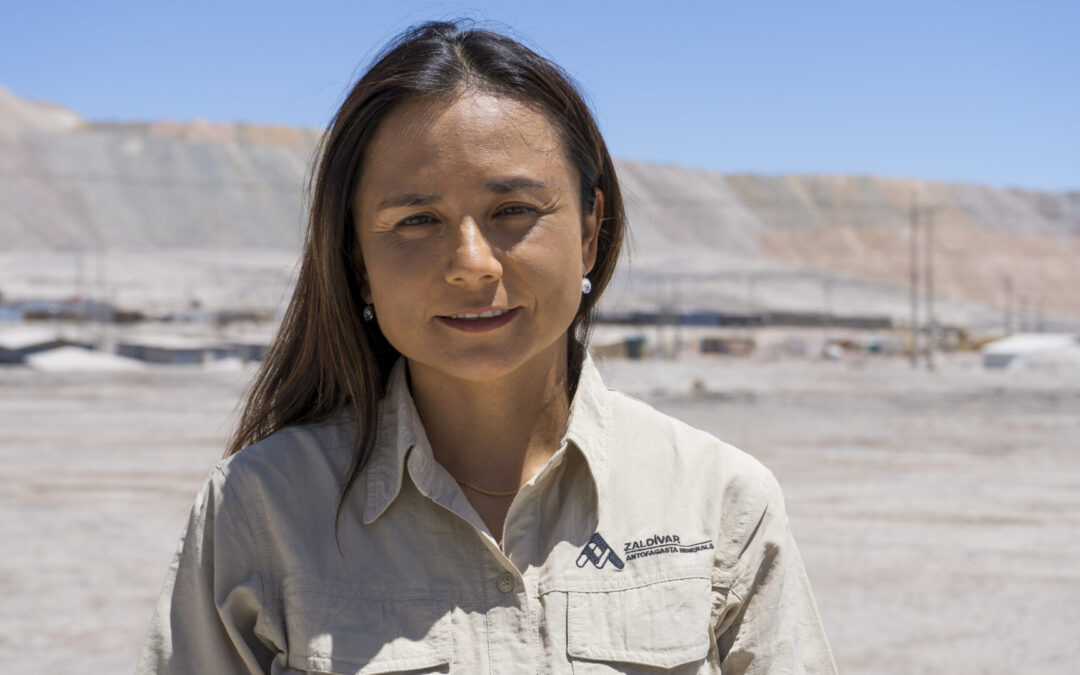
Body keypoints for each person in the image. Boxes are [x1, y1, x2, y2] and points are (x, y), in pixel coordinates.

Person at [138, 20, 836, 674]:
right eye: (417, 220)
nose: (471, 264)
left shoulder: (719, 499)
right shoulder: (258, 511)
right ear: (358, 262)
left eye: (514, 211)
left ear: (589, 231)